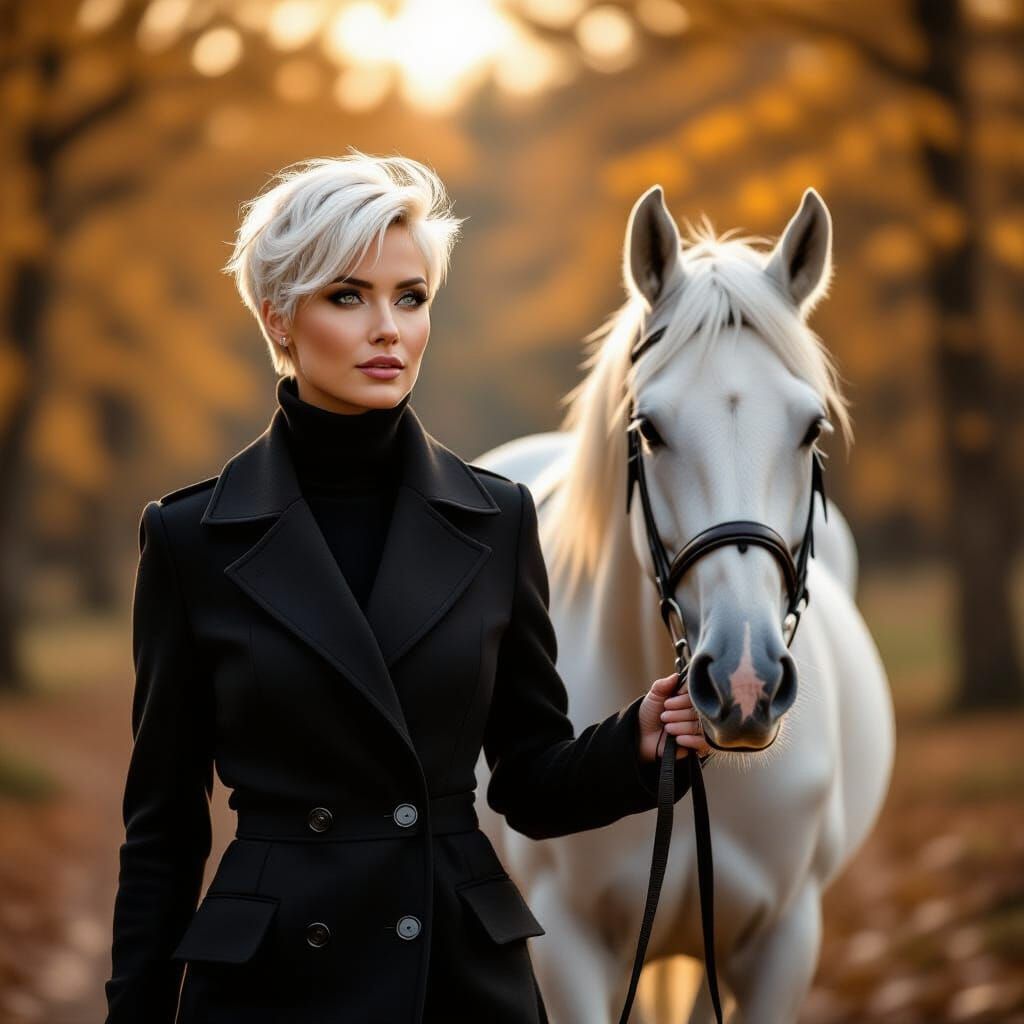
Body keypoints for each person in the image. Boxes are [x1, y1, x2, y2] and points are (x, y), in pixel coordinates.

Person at [103, 151, 710, 1024]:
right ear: (279, 318)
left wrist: (638, 742)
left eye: (411, 296)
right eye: (348, 296)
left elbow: (528, 783)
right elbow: (162, 830)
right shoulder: (191, 538)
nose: (388, 327)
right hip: (270, 985)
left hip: (458, 979)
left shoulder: (496, 520)